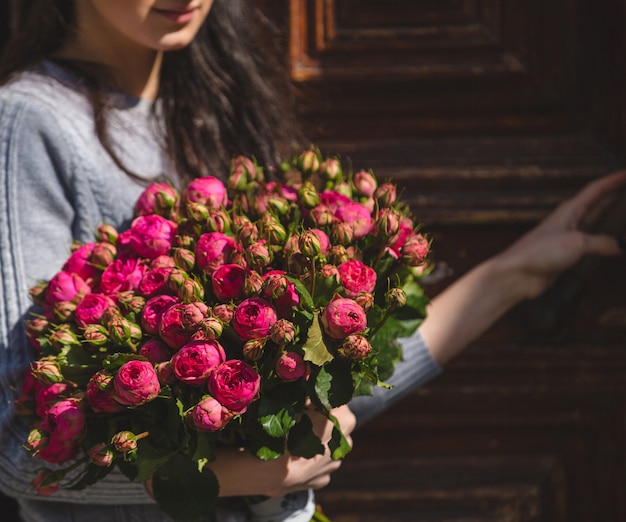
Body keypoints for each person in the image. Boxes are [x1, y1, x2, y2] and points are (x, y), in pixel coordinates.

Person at [0, 1, 623, 521]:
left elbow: (315, 396)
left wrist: (516, 274)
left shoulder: (209, 104)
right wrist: (236, 474)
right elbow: (15, 450)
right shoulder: (33, 122)